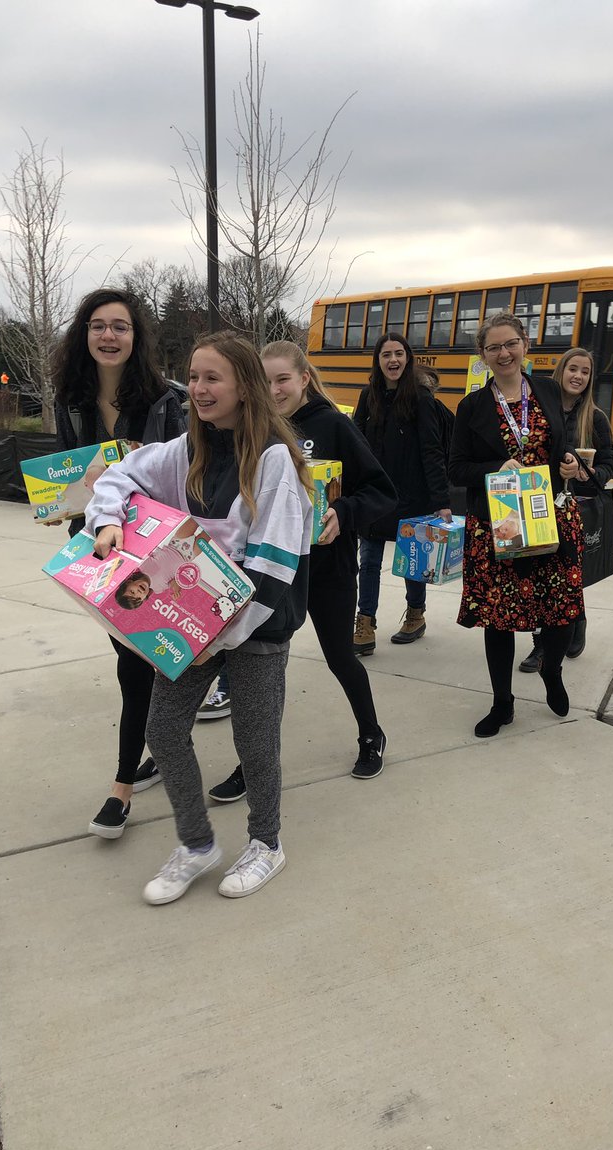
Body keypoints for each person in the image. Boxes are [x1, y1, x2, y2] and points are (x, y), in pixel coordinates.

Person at [84, 331, 313, 904]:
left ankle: (266, 843)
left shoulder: (275, 459)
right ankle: (196, 842)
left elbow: (273, 565)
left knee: (255, 741)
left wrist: (219, 636)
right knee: (163, 731)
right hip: (190, 622)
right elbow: (117, 475)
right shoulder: (188, 449)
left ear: (244, 386)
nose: (199, 388)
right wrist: (106, 521)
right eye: (193, 375)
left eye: (213, 377)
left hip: (256, 623)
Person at [209, 340, 397, 801]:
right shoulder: (251, 431)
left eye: (283, 380)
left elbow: (381, 491)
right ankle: (251, 765)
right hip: (272, 571)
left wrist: (343, 512)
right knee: (261, 674)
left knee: (339, 657)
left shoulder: (333, 425)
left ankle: (371, 734)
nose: (274, 391)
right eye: (265, 381)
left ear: (304, 379)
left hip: (328, 569)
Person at [52, 287, 187, 838]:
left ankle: (122, 787)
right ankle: (145, 759)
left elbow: (182, 476)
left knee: (146, 662)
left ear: (137, 337)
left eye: (121, 326)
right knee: (138, 663)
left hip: (153, 548)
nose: (110, 335)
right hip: (99, 550)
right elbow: (67, 478)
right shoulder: (70, 401)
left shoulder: (165, 400)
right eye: (99, 325)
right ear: (84, 334)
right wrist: (62, 505)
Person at [449, 312, 585, 736]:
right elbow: (456, 468)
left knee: (562, 609)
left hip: (548, 516)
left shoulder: (546, 391)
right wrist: (495, 467)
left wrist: (568, 463)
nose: (503, 353)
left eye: (510, 343)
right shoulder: (472, 406)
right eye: (494, 347)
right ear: (483, 355)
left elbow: (560, 446)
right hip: (499, 523)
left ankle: (551, 668)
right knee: (499, 617)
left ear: (525, 344)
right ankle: (502, 703)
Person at [353, 332, 451, 654]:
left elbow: (432, 451)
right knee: (368, 560)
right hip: (374, 495)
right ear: (378, 361)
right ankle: (365, 622)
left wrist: (441, 502)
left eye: (398, 353)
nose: (393, 360)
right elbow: (356, 446)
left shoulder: (421, 398)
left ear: (407, 358)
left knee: (413, 562)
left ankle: (415, 614)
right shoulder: (368, 397)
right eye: (386, 355)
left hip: (412, 495)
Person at [518, 347, 613, 671]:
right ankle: (541, 644)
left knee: (565, 576)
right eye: (573, 368)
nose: (578, 376)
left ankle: (576, 617)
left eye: (585, 371)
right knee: (536, 576)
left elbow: (607, 465)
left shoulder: (596, 418)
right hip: (538, 504)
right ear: (561, 371)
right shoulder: (538, 410)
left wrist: (585, 474)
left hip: (576, 507)